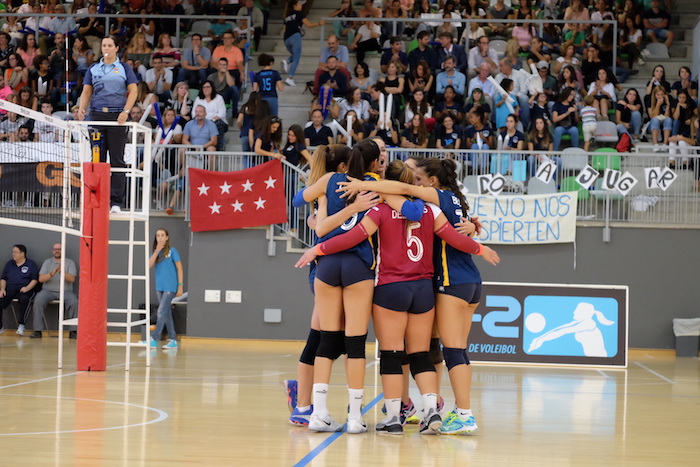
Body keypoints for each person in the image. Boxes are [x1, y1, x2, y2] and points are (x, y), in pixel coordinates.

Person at [335, 157, 500, 435]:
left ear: (431, 182)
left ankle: (427, 413)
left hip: (436, 282)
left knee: (403, 352)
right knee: (432, 351)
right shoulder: (445, 204)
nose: (418, 184)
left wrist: (364, 187)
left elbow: (363, 228)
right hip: (452, 283)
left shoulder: (418, 203)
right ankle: (434, 408)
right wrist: (476, 236)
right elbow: (457, 231)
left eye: (421, 180)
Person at [77, 36, 139, 214]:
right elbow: (86, 91)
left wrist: (126, 111)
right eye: (104, 45)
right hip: (97, 116)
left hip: (117, 116)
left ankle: (116, 202)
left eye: (110, 45)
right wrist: (81, 109)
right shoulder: (93, 68)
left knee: (117, 159)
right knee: (97, 158)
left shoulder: (124, 68)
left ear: (116, 48)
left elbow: (134, 90)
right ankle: (97, 197)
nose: (106, 48)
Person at [528, 303, 614, 357]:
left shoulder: (589, 324)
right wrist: (540, 338)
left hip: (599, 358)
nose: (574, 312)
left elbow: (563, 331)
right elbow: (560, 328)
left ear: (585, 313)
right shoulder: (577, 322)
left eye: (577, 310)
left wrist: (542, 339)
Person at [29, 243, 78, 339]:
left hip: (66, 291)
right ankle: (37, 331)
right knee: (38, 300)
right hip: (48, 291)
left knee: (74, 302)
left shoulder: (70, 262)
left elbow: (72, 279)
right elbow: (41, 279)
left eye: (59, 249)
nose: (57, 251)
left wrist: (62, 272)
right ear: (52, 251)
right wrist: (53, 272)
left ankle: (73, 331)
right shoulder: (47, 262)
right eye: (55, 249)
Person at [148, 228, 183, 349]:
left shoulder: (172, 251)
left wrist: (180, 286)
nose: (160, 237)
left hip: (170, 287)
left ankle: (155, 338)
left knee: (161, 311)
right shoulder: (155, 252)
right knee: (166, 313)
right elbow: (149, 265)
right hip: (160, 287)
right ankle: (173, 339)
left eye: (162, 235)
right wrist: (157, 251)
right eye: (158, 235)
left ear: (167, 237)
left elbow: (180, 268)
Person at [282, 0, 325, 87]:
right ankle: (290, 77)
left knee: (295, 55)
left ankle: (287, 61)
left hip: (286, 38)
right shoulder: (299, 14)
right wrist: (319, 23)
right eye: (299, 4)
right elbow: (309, 24)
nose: (301, 5)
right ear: (294, 6)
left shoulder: (287, 16)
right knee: (296, 58)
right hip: (295, 36)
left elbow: (284, 29)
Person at [0, 244, 39, 336]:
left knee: (24, 300)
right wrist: (2, 289)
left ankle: (21, 325)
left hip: (25, 289)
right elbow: (3, 278)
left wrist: (27, 288)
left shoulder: (31, 264)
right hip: (10, 289)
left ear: (22, 253)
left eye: (15, 252)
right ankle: (0, 327)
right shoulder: (9, 264)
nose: (13, 254)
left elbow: (35, 279)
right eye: (12, 252)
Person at [192, 81, 228, 152]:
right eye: (204, 87)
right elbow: (194, 114)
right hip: (202, 122)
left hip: (216, 121)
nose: (206, 89)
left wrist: (212, 121)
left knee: (218, 123)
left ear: (212, 88)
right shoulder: (198, 99)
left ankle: (218, 148)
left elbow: (222, 113)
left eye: (208, 87)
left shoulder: (218, 98)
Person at [552, 87, 580, 151]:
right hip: (561, 126)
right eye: (571, 95)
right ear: (566, 94)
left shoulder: (572, 104)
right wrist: (567, 113)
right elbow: (554, 119)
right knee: (558, 130)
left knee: (575, 130)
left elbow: (578, 121)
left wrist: (576, 111)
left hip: (571, 126)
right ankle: (555, 152)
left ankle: (576, 151)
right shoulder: (557, 104)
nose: (572, 97)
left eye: (573, 95)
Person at [648, 85, 672, 151]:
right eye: (658, 95)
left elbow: (667, 116)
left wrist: (668, 105)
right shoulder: (650, 101)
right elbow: (652, 116)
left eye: (662, 94)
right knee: (655, 120)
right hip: (653, 124)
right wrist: (658, 104)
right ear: (654, 95)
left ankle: (665, 144)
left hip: (664, 122)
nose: (660, 96)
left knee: (669, 120)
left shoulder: (668, 100)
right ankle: (655, 144)